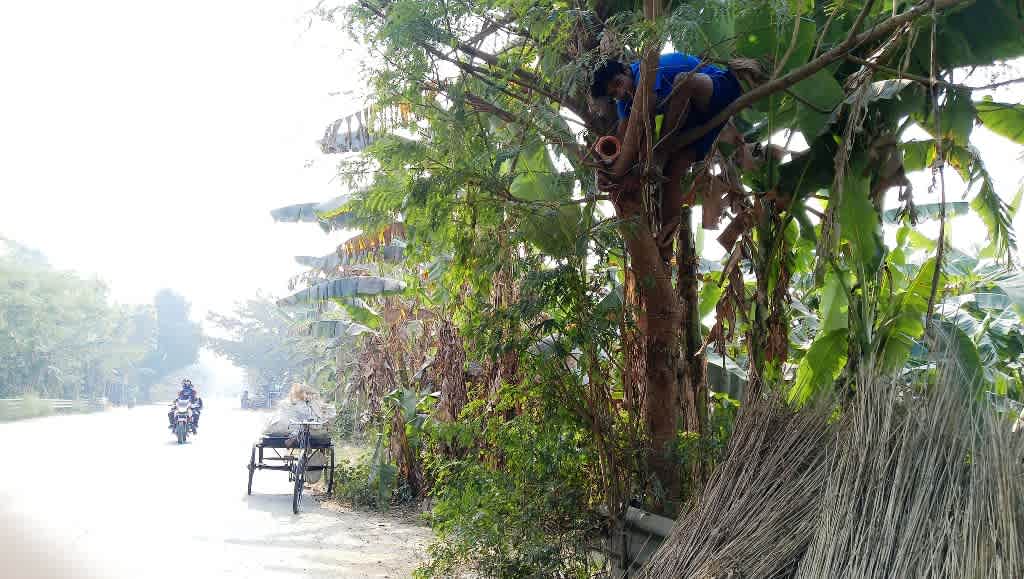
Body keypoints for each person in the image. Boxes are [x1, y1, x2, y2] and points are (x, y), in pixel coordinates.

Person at [591, 53, 744, 253]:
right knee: (671, 174)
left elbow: (645, 120)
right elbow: (624, 139)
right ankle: (664, 249)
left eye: (619, 83)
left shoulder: (646, 72)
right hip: (696, 118)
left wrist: (655, 155)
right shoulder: (625, 100)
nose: (621, 92)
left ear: (627, 70)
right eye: (614, 94)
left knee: (683, 81)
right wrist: (604, 172)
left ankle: (662, 152)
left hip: (718, 90)